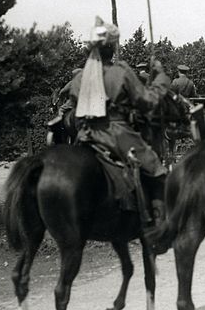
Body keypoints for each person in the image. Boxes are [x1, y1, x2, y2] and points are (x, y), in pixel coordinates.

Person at [66, 17, 168, 233]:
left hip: (85, 135)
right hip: (117, 134)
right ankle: (157, 224)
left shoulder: (78, 79)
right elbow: (147, 102)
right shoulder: (120, 72)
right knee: (155, 167)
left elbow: (74, 112)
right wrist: (160, 79)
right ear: (111, 47)